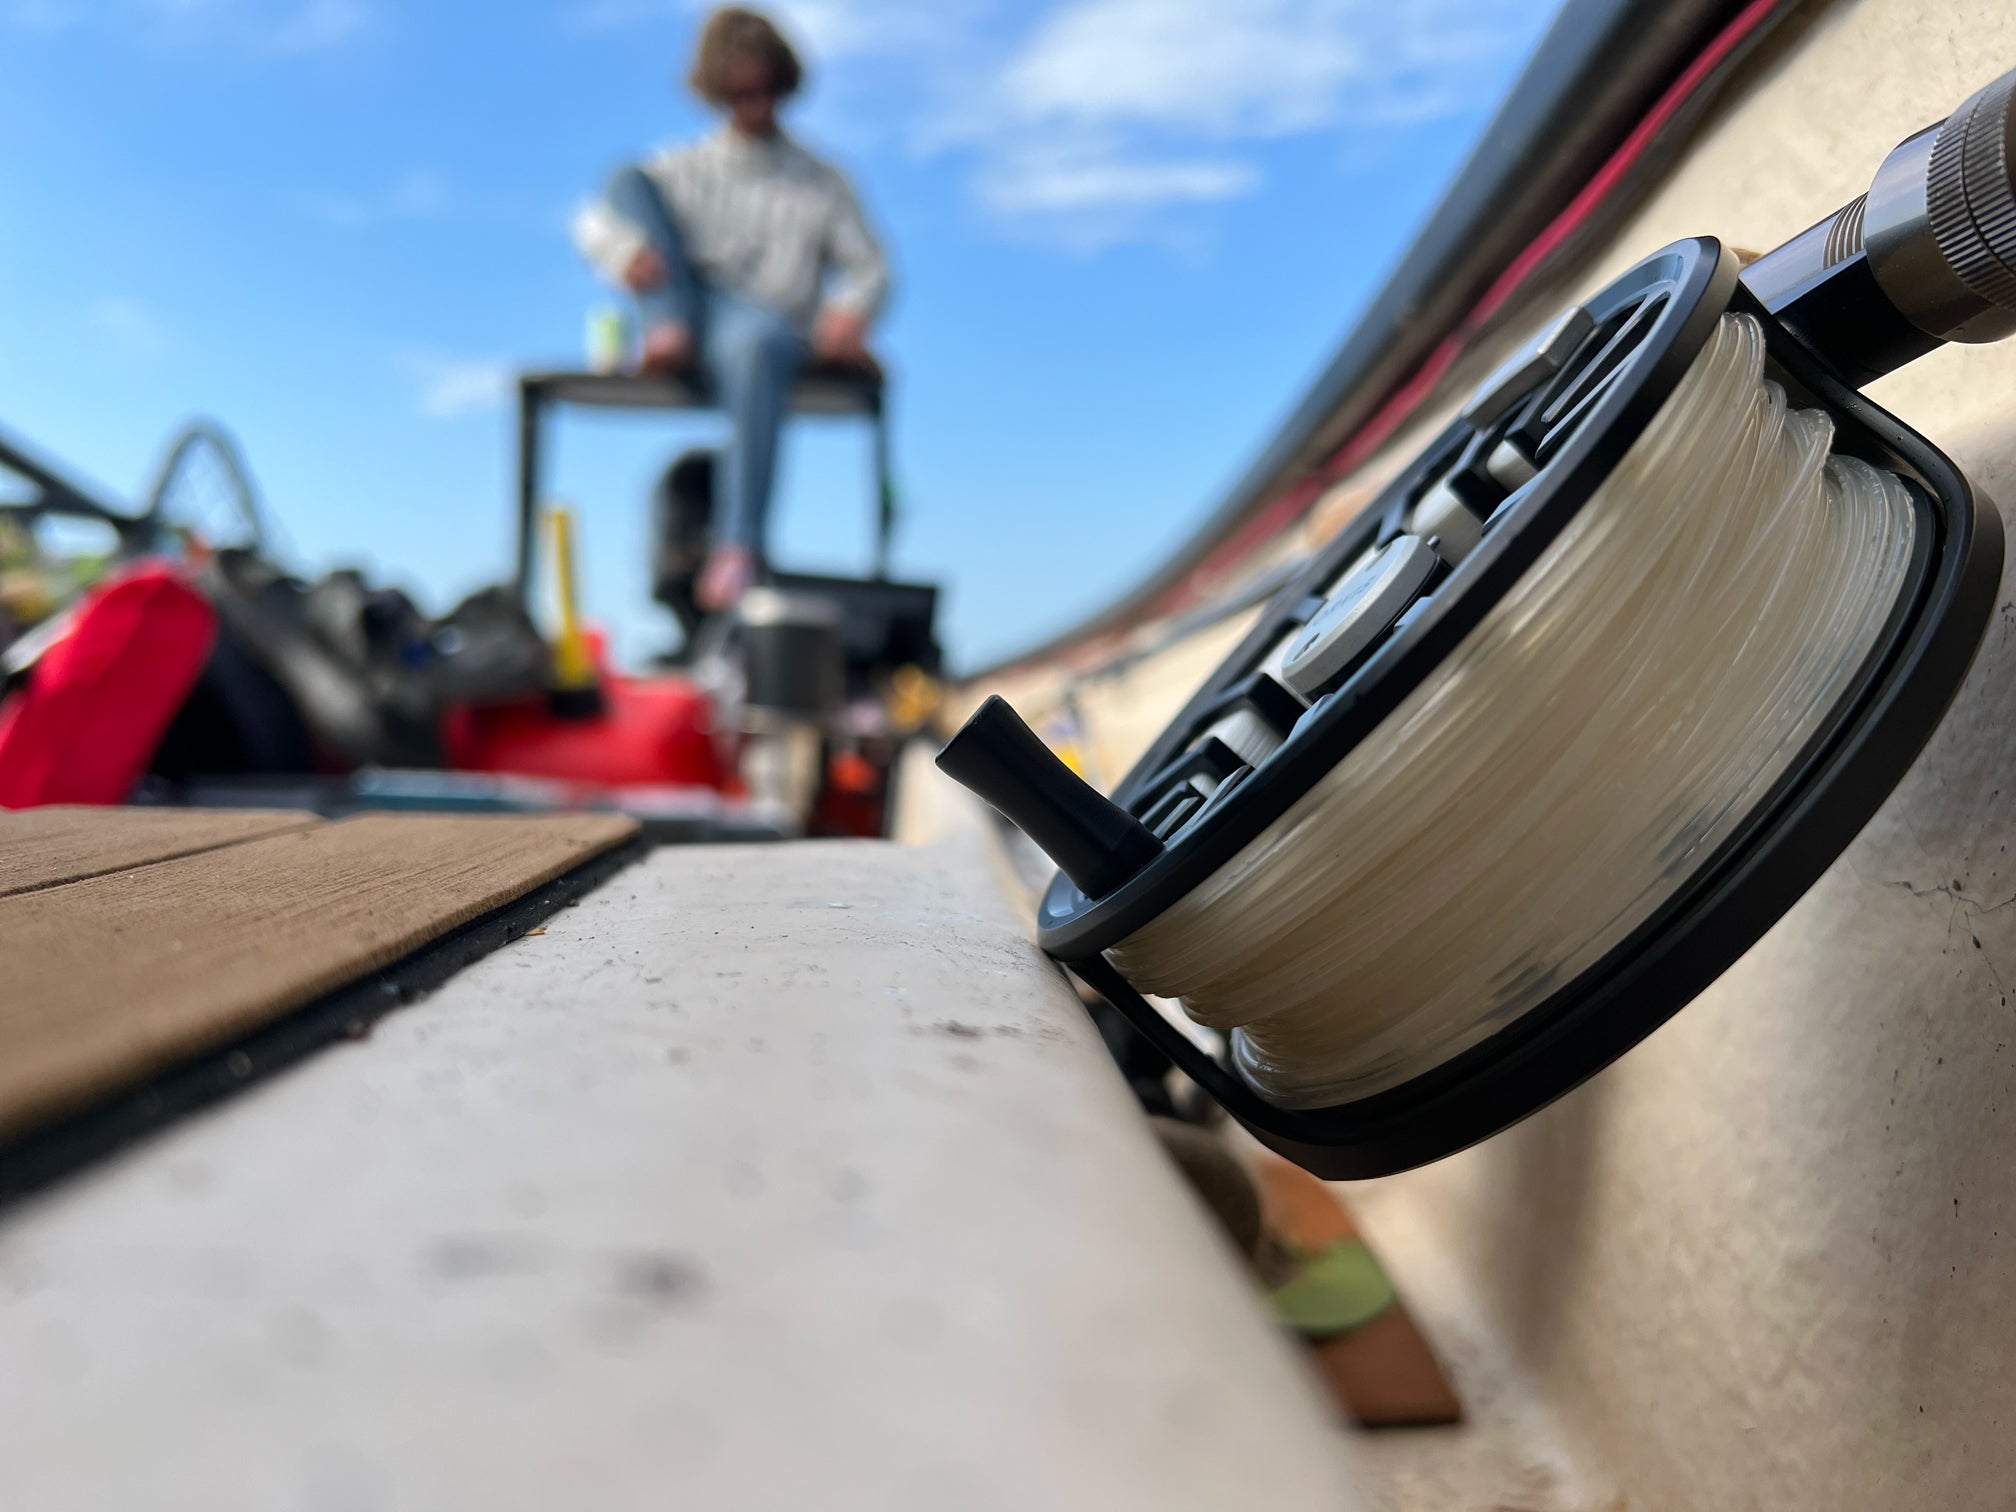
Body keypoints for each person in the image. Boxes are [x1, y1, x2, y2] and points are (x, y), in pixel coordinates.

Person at [573, 6, 890, 614]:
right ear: (717, 91)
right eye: (740, 92)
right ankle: (667, 327)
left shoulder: (822, 181)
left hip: (770, 327)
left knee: (754, 342)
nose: (756, 105)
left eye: (766, 90)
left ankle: (737, 544)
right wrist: (623, 253)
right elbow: (595, 219)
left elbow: (870, 267)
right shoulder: (686, 169)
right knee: (627, 180)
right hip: (692, 307)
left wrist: (850, 311)